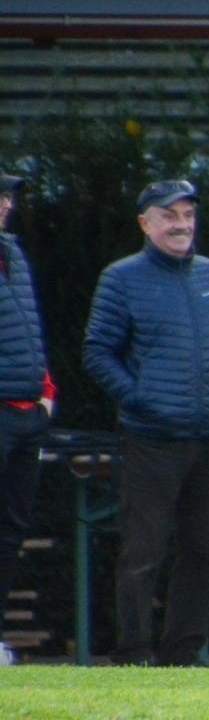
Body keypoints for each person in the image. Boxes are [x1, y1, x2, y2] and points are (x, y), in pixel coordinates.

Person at [82, 179, 209, 666]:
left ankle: (182, 655)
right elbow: (96, 352)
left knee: (207, 554)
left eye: (188, 215)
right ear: (145, 223)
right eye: (169, 215)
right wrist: (141, 398)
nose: (181, 224)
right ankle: (133, 654)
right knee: (143, 552)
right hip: (152, 437)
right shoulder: (121, 277)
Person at [0, 171, 55, 667]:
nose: (3, 204)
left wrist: (46, 393)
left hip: (24, 414)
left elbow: (29, 329)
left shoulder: (12, 252)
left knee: (11, 527)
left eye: (5, 195)